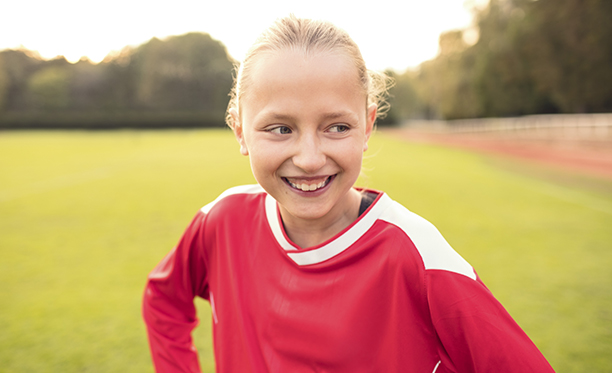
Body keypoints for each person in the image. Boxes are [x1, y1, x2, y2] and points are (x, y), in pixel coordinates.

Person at [142, 15, 555, 373]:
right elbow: (163, 299)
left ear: (368, 125)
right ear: (240, 131)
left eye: (336, 127)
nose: (308, 158)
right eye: (280, 128)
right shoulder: (222, 221)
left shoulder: (418, 257)